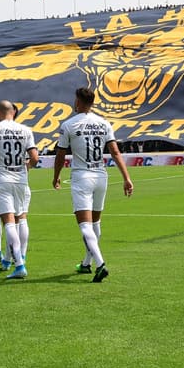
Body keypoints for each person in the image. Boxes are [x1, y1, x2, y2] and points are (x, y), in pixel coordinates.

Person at [52, 87, 134, 283]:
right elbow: (115, 152)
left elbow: (61, 153)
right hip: (101, 176)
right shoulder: (104, 123)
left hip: (82, 177)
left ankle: (100, 264)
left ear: (78, 102)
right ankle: (87, 263)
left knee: (85, 225)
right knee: (95, 223)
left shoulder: (69, 125)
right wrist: (126, 177)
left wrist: (56, 176)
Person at [0, 101, 38, 279]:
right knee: (22, 219)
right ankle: (21, 257)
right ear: (14, 112)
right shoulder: (25, 130)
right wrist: (24, 169)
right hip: (21, 179)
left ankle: (18, 265)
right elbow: (34, 157)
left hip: (2, 180)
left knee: (9, 222)